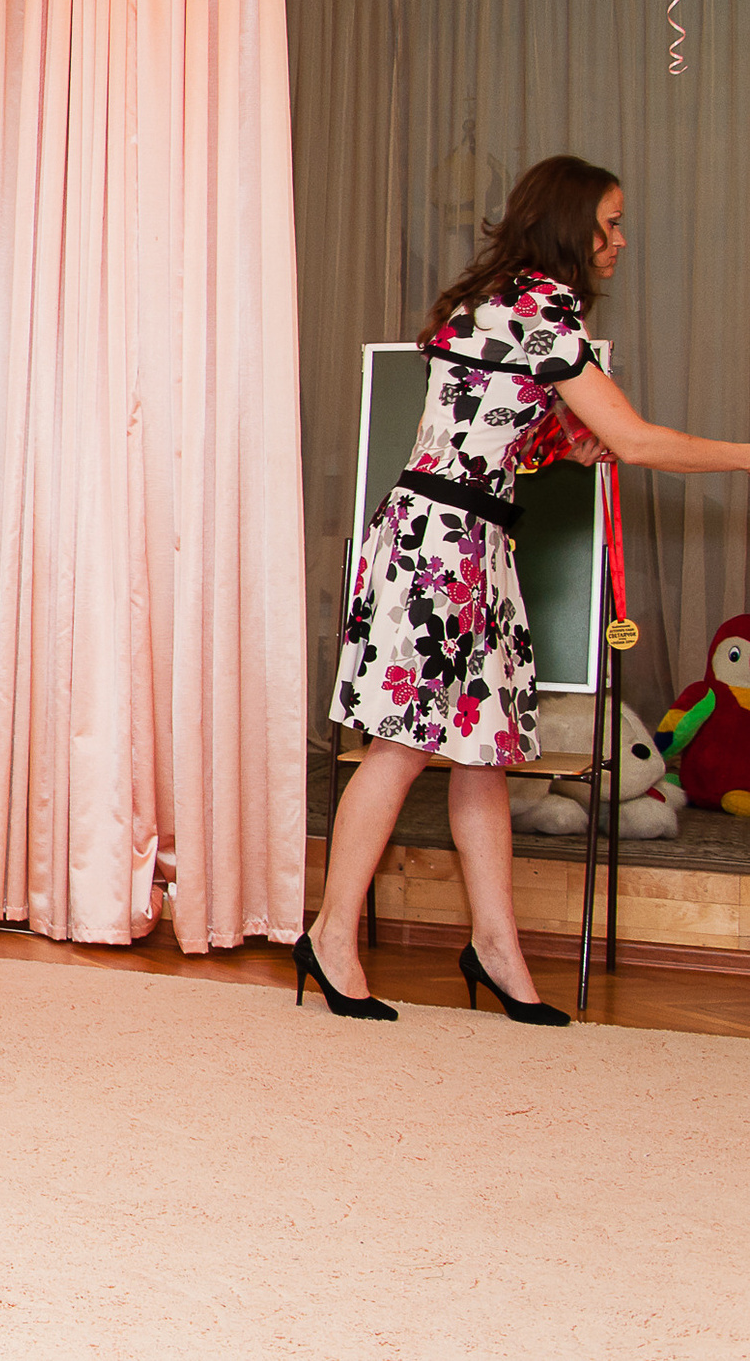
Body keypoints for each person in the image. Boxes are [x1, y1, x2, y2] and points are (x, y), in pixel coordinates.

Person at [308, 156, 750, 1024]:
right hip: (441, 546)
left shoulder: (504, 303)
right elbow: (639, 439)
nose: (620, 240)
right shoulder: (541, 311)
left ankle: (496, 948)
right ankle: (330, 936)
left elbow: (481, 430)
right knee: (400, 745)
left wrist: (560, 448)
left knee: (483, 751)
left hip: (468, 538)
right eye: (610, 224)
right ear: (571, 225)